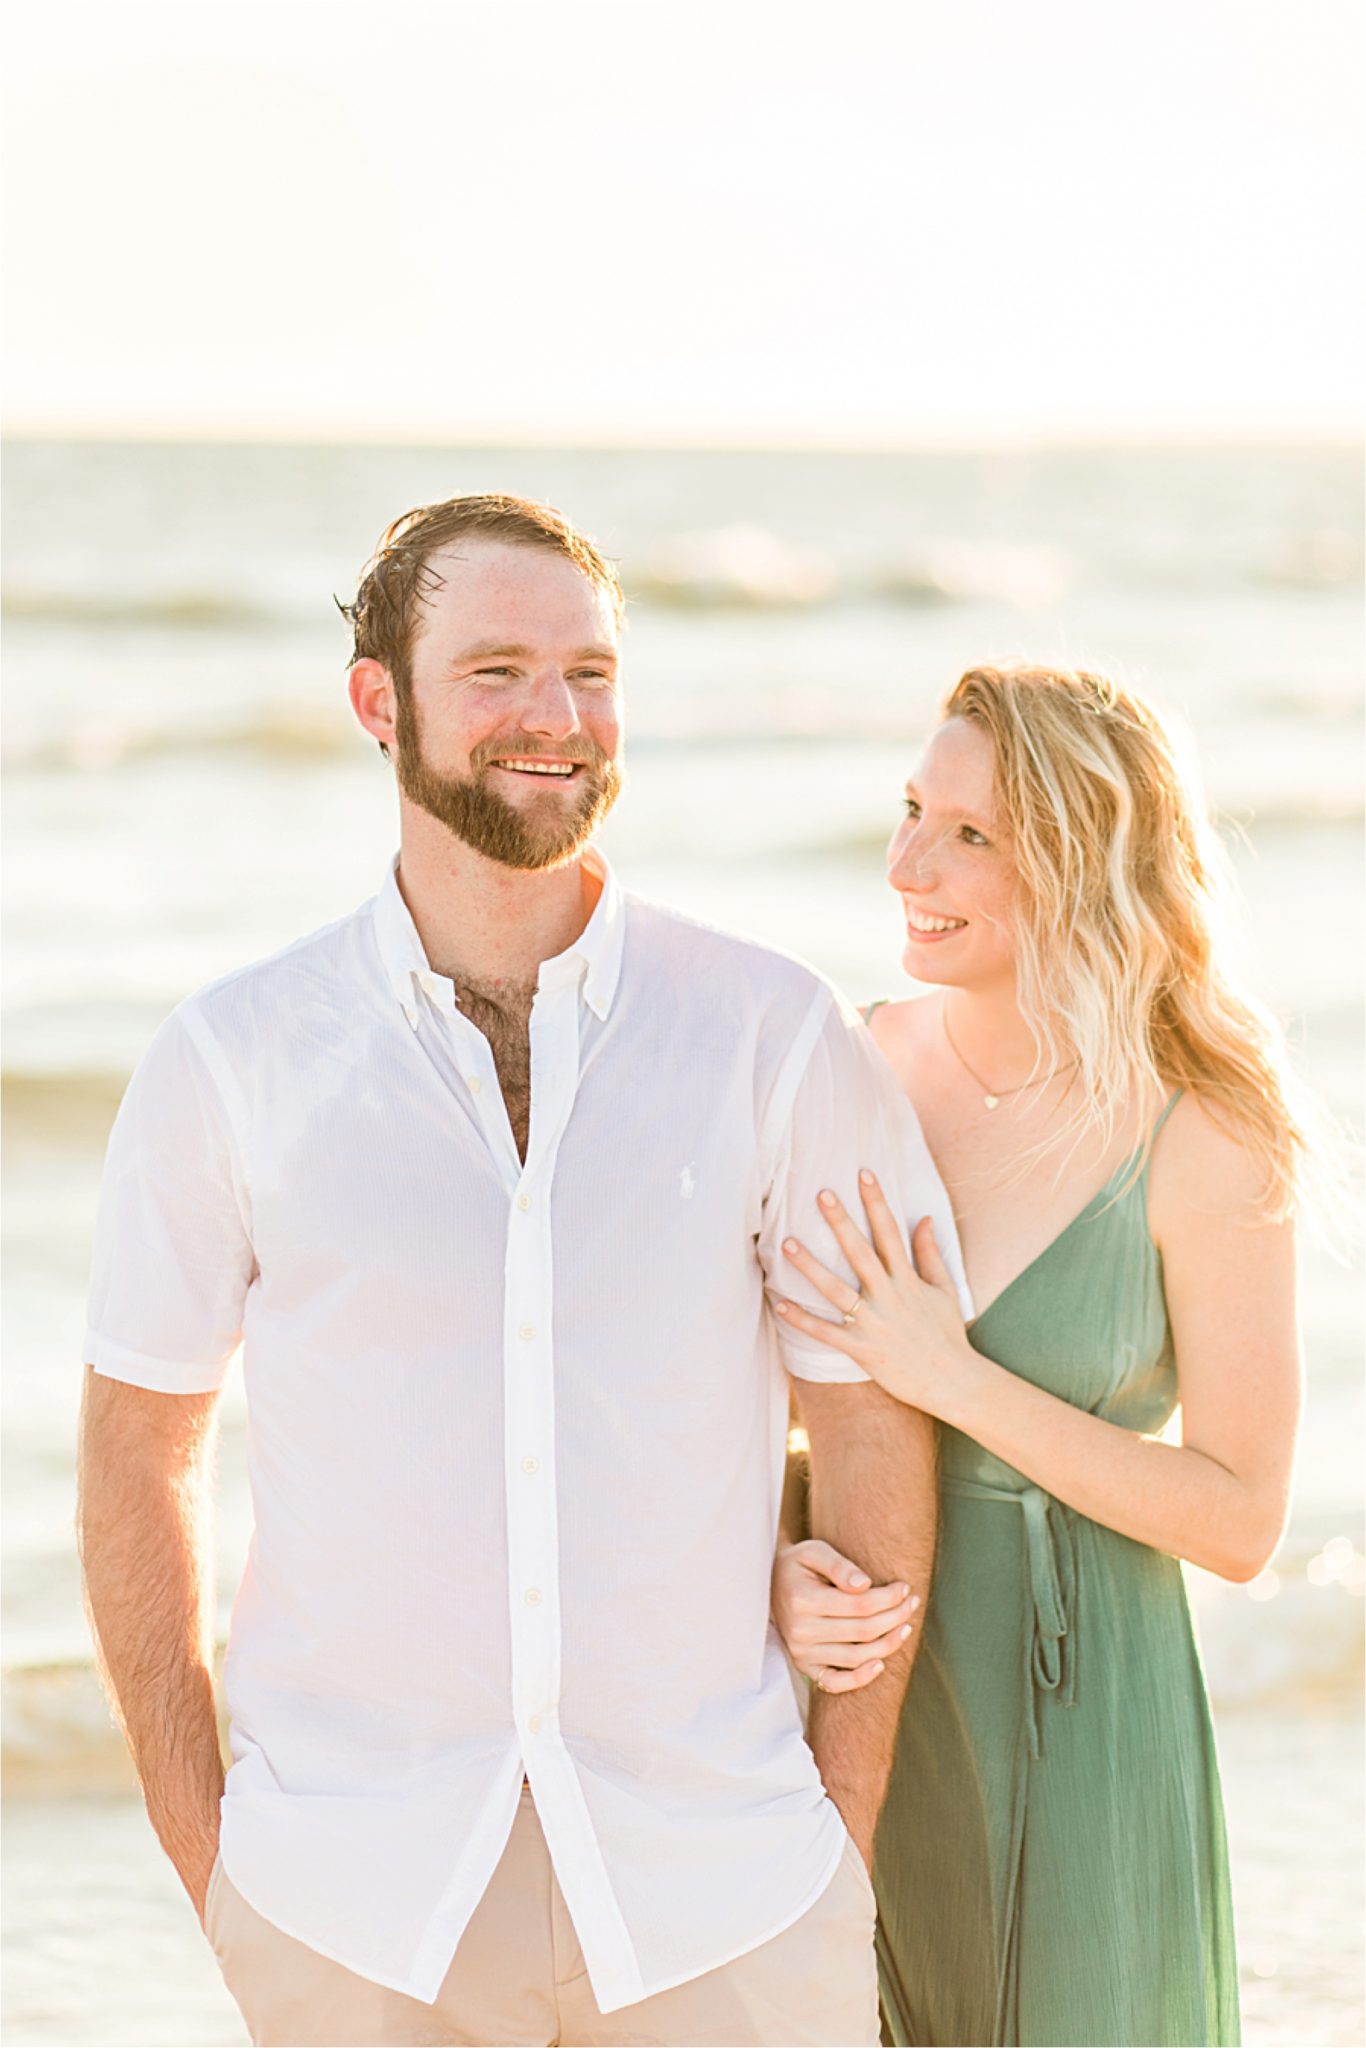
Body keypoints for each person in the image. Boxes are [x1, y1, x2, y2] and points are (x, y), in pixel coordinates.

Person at [77, 494, 969, 2048]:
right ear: (379, 702)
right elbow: (139, 1448)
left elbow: (878, 1415)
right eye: (495, 671)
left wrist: (839, 1816)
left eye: (591, 672)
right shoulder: (232, 1057)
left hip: (725, 1890)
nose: (555, 718)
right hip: (353, 1900)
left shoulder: (770, 1034)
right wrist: (211, 1854)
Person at [772, 664, 1307, 2048]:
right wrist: (776, 1573)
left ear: (1080, 859)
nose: (906, 864)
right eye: (909, 811)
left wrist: (952, 1379)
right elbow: (736, 1410)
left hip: (1084, 1734)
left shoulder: (1203, 1127)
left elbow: (1242, 1518)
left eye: (970, 835)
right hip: (849, 1711)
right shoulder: (846, 1065)